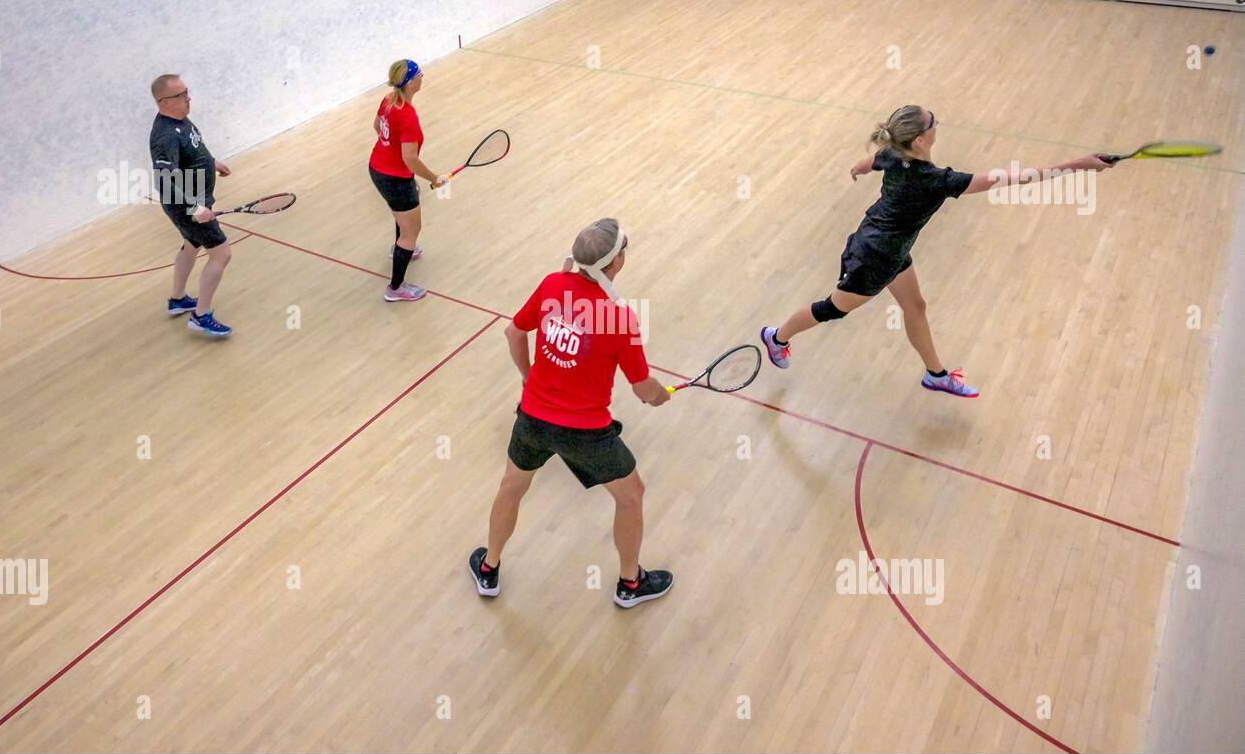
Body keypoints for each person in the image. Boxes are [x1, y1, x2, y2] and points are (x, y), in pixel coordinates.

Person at [760, 105, 1115, 397]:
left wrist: (860, 167)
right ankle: (777, 337)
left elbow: (875, 160)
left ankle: (936, 374)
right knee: (832, 309)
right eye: (933, 122)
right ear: (920, 139)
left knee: (915, 307)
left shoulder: (894, 154)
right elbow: (1009, 179)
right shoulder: (936, 180)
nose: (936, 123)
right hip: (873, 257)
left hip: (892, 248)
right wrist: (1079, 165)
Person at [469, 218, 675, 608]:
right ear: (615, 264)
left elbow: (513, 332)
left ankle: (489, 569)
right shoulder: (620, 319)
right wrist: (660, 395)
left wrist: (530, 380)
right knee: (631, 496)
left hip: (531, 421)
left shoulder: (551, 284)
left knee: (512, 487)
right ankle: (631, 585)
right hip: (586, 433)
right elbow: (643, 390)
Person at [149, 73, 234, 337]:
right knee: (221, 254)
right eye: (182, 95)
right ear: (165, 102)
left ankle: (177, 300)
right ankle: (201, 315)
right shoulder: (165, 136)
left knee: (190, 245)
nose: (188, 98)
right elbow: (163, 180)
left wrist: (211, 161)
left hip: (194, 202)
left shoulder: (180, 120)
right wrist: (195, 208)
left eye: (187, 92)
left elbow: (194, 150)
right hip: (188, 206)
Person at [367, 59, 448, 302]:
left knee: (402, 215)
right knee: (412, 231)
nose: (423, 76)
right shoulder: (408, 117)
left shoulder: (388, 101)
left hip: (377, 168)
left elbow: (376, 127)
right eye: (420, 74)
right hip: (394, 178)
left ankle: (398, 250)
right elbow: (410, 159)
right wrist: (435, 179)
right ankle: (396, 288)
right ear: (411, 82)